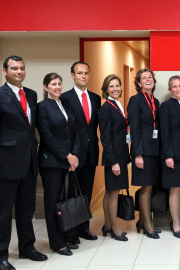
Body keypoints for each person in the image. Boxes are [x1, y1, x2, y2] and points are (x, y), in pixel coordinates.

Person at [0, 55, 48, 270]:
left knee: (26, 210)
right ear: (5, 71)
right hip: (6, 165)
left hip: (28, 163)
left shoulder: (31, 94)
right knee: (1, 213)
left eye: (21, 68)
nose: (19, 71)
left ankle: (27, 247)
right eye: (14, 68)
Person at [37, 73, 80, 256]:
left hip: (68, 161)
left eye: (59, 84)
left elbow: (75, 131)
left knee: (65, 202)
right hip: (52, 162)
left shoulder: (65, 104)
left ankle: (66, 236)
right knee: (53, 203)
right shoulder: (42, 107)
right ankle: (57, 242)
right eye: (53, 84)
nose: (57, 87)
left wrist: (74, 155)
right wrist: (66, 156)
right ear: (46, 87)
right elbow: (47, 136)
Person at [60, 61, 101, 242]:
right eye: (79, 73)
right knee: (70, 194)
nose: (83, 76)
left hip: (91, 152)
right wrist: (69, 154)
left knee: (86, 193)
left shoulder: (95, 98)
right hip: (73, 154)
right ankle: (70, 231)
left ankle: (84, 228)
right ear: (72, 75)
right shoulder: (65, 98)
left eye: (85, 73)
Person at [128, 68, 160, 239]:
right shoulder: (135, 100)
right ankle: (147, 226)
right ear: (139, 83)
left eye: (150, 77)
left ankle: (143, 221)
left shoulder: (155, 101)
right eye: (144, 78)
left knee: (149, 187)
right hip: (143, 152)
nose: (148, 79)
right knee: (146, 188)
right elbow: (134, 128)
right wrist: (138, 154)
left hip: (154, 151)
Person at [98, 74, 131, 241]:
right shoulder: (106, 108)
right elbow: (105, 138)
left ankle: (107, 224)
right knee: (113, 193)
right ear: (106, 89)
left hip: (120, 155)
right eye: (111, 86)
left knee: (110, 191)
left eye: (117, 85)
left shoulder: (117, 104)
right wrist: (114, 162)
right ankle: (115, 228)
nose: (115, 88)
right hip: (114, 158)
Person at [160, 75, 180, 238]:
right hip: (173, 154)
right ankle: (174, 224)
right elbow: (165, 133)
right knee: (174, 189)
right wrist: (168, 156)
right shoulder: (166, 106)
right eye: (175, 87)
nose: (178, 89)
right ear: (170, 89)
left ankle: (179, 222)